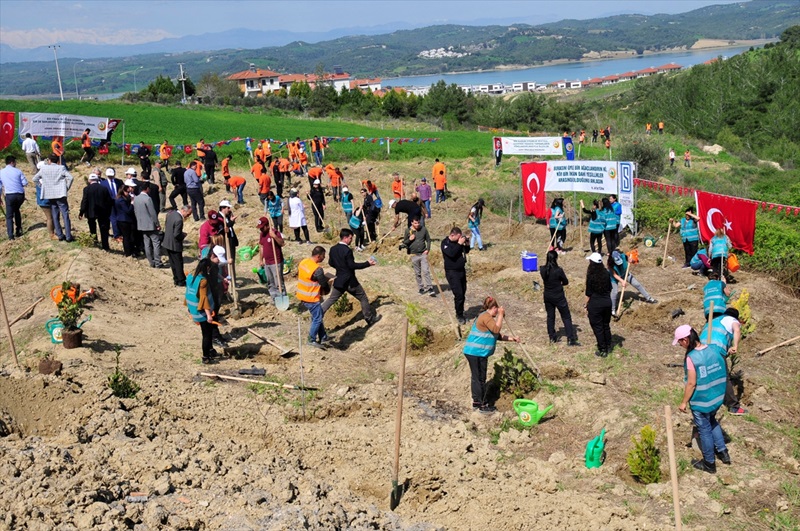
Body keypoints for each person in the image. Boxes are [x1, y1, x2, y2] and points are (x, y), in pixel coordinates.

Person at [673, 325, 729, 473]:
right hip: (717, 396)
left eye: (679, 342)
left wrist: (684, 402)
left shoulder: (692, 358)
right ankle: (723, 452)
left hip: (702, 401)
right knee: (712, 421)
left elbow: (691, 383)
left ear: (685, 340)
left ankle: (709, 463)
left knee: (704, 430)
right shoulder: (713, 349)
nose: (679, 345)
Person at [462, 296, 520, 413]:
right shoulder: (485, 317)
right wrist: (500, 315)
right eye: (496, 310)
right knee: (479, 379)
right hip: (475, 353)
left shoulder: (487, 317)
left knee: (478, 377)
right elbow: (496, 329)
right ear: (493, 308)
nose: (497, 312)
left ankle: (477, 402)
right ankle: (482, 405)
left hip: (479, 353)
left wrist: (512, 339)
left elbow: (497, 336)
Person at [321, 228, 380, 326]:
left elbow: (331, 263)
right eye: (350, 238)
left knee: (331, 299)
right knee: (363, 297)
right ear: (345, 238)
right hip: (350, 281)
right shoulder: (347, 251)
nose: (351, 240)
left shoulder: (333, 249)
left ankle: (318, 314)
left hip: (339, 279)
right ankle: (369, 319)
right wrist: (367, 263)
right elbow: (352, 265)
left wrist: (340, 268)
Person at [699, 307, 748, 416]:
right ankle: (733, 407)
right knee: (723, 378)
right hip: (715, 349)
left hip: (700, 349)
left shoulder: (714, 321)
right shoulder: (732, 320)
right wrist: (735, 345)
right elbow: (737, 330)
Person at [540, 251, 579, 345]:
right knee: (566, 317)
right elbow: (566, 281)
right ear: (556, 259)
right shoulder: (558, 270)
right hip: (558, 296)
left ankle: (552, 337)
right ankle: (570, 338)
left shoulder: (542, 269)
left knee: (550, 316)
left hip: (548, 296)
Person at [185, 257, 220, 365]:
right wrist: (209, 315)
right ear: (207, 268)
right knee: (207, 334)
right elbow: (203, 298)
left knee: (207, 332)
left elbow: (188, 293)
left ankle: (211, 351)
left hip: (193, 309)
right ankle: (205, 357)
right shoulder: (203, 281)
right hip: (202, 313)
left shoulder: (191, 277)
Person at [33, 153, 74, 242]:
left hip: (50, 194)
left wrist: (42, 186)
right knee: (65, 215)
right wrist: (66, 188)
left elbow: (35, 179)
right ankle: (68, 236)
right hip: (60, 194)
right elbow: (71, 178)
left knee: (55, 215)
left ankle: (59, 235)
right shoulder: (61, 168)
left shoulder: (44, 169)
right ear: (58, 160)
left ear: (49, 160)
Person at [297, 245, 332, 348]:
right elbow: (323, 283)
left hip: (302, 294)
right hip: (311, 297)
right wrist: (328, 286)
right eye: (323, 256)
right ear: (318, 256)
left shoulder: (304, 262)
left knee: (318, 315)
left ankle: (323, 337)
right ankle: (311, 339)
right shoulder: (317, 269)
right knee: (317, 318)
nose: (324, 258)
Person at [584, 252, 613, 357]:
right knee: (606, 325)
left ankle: (602, 349)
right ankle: (608, 344)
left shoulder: (591, 275)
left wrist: (585, 305)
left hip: (595, 304)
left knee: (598, 327)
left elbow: (588, 293)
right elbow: (610, 288)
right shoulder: (606, 273)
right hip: (607, 302)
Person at [442, 227, 470, 325]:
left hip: (461, 270)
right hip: (452, 272)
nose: (459, 239)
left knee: (463, 292)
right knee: (458, 294)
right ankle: (459, 315)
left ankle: (460, 310)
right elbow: (452, 253)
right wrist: (459, 244)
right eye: (458, 237)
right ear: (452, 235)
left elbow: (466, 251)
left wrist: (467, 244)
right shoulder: (445, 243)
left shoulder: (458, 243)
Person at [133, 178, 164, 268]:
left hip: (142, 225)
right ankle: (158, 262)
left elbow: (136, 212)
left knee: (147, 244)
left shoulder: (136, 199)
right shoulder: (148, 199)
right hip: (151, 225)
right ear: (146, 189)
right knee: (156, 243)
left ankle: (151, 262)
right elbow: (153, 213)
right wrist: (157, 224)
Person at [78, 173, 112, 250]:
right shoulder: (104, 188)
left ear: (89, 180)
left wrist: (81, 212)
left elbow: (84, 201)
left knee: (92, 227)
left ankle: (95, 242)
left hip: (91, 212)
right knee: (103, 229)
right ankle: (105, 246)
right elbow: (109, 201)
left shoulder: (86, 189)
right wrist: (108, 211)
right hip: (102, 212)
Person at [257, 216, 287, 304]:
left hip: (276, 262)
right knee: (270, 282)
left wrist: (274, 237)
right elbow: (261, 247)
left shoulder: (274, 232)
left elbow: (282, 243)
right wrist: (261, 259)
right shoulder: (262, 234)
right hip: (267, 262)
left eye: (262, 227)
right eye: (260, 228)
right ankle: (274, 299)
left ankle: (283, 297)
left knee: (279, 282)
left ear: (267, 225)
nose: (261, 229)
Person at [403, 216, 436, 297]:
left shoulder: (424, 229)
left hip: (423, 254)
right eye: (415, 223)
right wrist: (409, 239)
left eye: (418, 223)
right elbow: (404, 243)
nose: (417, 224)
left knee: (426, 271)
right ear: (411, 223)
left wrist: (427, 249)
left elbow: (428, 240)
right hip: (414, 255)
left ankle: (430, 288)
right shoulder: (408, 231)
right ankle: (421, 287)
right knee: (417, 273)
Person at [0, 156, 28, 240]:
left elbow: (0, 186)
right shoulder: (18, 171)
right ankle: (18, 230)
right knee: (17, 211)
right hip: (20, 195)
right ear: (12, 162)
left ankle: (10, 235)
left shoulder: (1, 172)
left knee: (9, 215)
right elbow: (25, 183)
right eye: (15, 162)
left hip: (10, 195)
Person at [163, 205, 191, 286]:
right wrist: (183, 235)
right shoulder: (179, 220)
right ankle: (181, 281)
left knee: (173, 262)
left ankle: (176, 279)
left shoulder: (171, 214)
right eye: (188, 214)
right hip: (174, 244)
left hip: (167, 242)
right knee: (178, 263)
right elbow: (177, 234)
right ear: (184, 211)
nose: (188, 216)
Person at [115, 180, 137, 257]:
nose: (128, 194)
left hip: (122, 220)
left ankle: (129, 251)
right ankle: (128, 252)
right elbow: (127, 210)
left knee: (127, 237)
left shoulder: (120, 199)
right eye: (127, 192)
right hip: (124, 220)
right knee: (127, 237)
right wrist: (132, 203)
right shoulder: (121, 200)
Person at [34, 161, 54, 239]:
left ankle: (52, 232)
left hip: (41, 200)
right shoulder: (43, 179)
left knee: (50, 217)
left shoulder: (38, 178)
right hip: (46, 200)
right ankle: (51, 234)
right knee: (50, 218)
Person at [218, 200, 239, 277]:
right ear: (223, 208)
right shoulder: (218, 217)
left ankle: (233, 278)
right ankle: (228, 279)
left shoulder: (226, 216)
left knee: (232, 261)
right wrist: (230, 222)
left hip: (231, 242)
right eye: (228, 208)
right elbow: (223, 229)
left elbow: (229, 227)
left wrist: (231, 221)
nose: (229, 209)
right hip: (225, 243)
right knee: (227, 262)